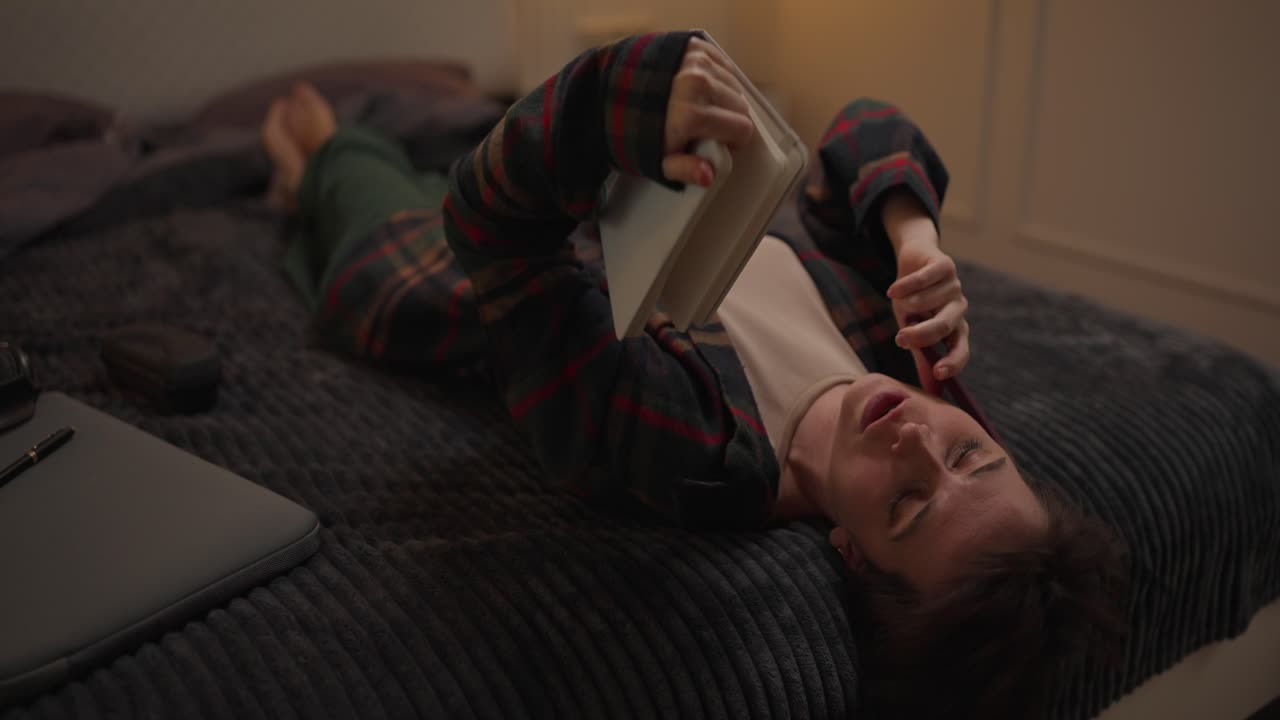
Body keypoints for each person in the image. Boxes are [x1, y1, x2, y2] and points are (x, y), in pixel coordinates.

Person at [262, 31, 1128, 719]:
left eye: (907, 504)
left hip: (425, 278)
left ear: (854, 556)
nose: (915, 435)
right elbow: (864, 131)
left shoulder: (686, 445)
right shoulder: (896, 344)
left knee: (340, 152)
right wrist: (916, 239)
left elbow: (486, 225)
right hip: (585, 203)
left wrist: (620, 101)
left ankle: (309, 171)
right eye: (973, 456)